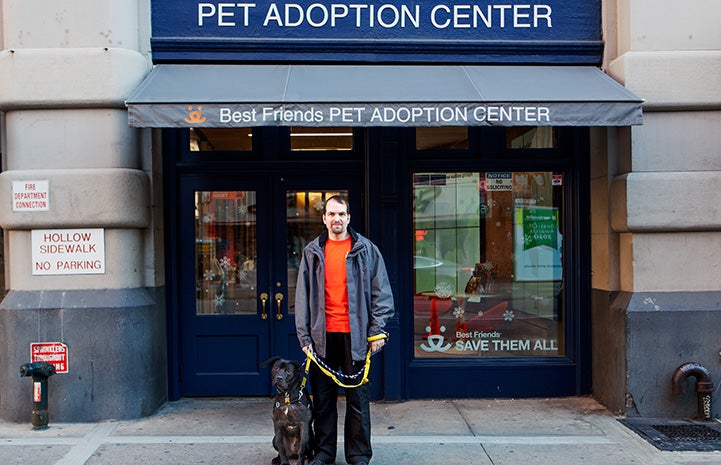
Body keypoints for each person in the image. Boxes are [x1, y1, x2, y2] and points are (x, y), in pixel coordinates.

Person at [295, 195, 395, 465]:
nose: (336, 218)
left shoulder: (367, 250)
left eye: (342, 214)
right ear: (324, 218)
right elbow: (302, 297)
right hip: (322, 339)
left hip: (357, 338)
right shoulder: (313, 252)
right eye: (332, 214)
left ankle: (359, 455)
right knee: (324, 401)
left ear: (349, 217)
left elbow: (382, 295)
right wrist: (304, 337)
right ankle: (324, 453)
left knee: (358, 401)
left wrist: (377, 332)